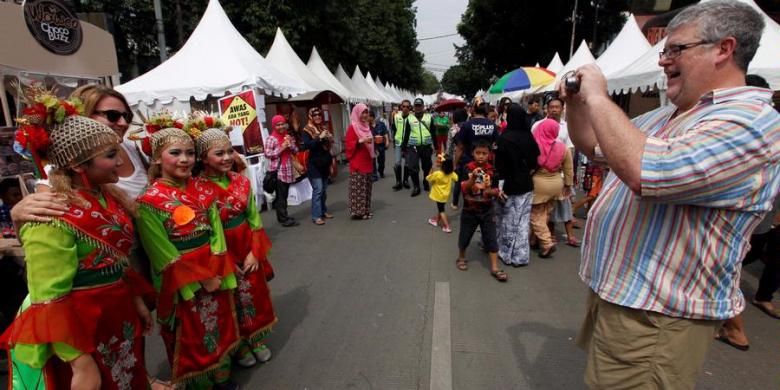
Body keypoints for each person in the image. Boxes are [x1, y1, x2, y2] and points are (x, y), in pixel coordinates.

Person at [561, 2, 779, 389]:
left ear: (724, 49)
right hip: (629, 302)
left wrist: (597, 97)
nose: (663, 61)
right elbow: (595, 145)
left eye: (675, 49)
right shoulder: (671, 114)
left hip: (657, 318)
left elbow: (648, 172)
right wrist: (577, 104)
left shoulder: (753, 121)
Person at [2, 102, 152, 389]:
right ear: (77, 165)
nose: (120, 162)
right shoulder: (50, 214)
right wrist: (79, 361)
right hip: (77, 331)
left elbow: (119, 262)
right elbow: (48, 297)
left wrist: (134, 300)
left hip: (116, 316)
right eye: (111, 155)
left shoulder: (108, 197)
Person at [136, 127, 240, 389]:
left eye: (190, 153)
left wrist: (217, 270)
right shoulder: (148, 201)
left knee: (220, 326)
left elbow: (217, 233)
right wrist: (203, 280)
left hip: (216, 269)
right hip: (183, 283)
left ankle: (223, 377)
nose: (185, 159)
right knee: (192, 337)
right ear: (157, 158)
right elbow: (162, 253)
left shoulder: (204, 189)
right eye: (175, 153)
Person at [194, 125, 277, 367]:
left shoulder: (241, 181)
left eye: (230, 151)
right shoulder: (197, 189)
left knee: (252, 294)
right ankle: (238, 346)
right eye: (219, 153)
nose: (227, 157)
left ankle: (256, 338)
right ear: (203, 158)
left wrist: (254, 252)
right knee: (228, 300)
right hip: (220, 253)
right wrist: (225, 260)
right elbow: (203, 232)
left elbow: (254, 219)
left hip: (247, 247)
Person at [455, 140, 507, 282]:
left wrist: (491, 190)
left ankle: (495, 267)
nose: (481, 156)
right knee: (465, 235)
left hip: (487, 209)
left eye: (484, 153)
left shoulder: (493, 171)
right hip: (469, 209)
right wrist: (472, 179)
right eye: (478, 153)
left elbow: (495, 190)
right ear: (472, 153)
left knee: (491, 237)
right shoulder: (467, 168)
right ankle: (461, 257)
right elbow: (464, 187)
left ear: (489, 154)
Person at [495, 104, 540, 267]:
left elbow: (499, 166)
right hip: (526, 185)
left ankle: (506, 254)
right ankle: (520, 256)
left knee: (507, 221)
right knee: (522, 222)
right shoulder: (529, 137)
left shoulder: (504, 138)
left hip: (508, 185)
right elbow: (535, 162)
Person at [533, 97, 579, 247]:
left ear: (562, 109)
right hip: (557, 179)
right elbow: (569, 160)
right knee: (547, 211)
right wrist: (568, 182)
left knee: (538, 212)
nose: (554, 109)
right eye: (551, 107)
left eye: (557, 107)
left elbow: (531, 154)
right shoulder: (537, 125)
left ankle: (544, 241)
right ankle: (544, 236)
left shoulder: (567, 127)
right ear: (546, 108)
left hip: (541, 178)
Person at [529, 119, 572, 258]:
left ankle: (546, 242)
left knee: (535, 216)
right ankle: (534, 239)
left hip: (539, 184)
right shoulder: (563, 148)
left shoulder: (535, 146)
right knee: (545, 214)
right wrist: (568, 185)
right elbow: (569, 169)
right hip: (556, 184)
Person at [453, 97, 499, 208]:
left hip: (469, 163)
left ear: (473, 109)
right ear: (486, 109)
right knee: (486, 186)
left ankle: (469, 209)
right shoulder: (492, 125)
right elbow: (495, 146)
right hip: (486, 163)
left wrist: (455, 164)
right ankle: (483, 209)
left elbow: (460, 147)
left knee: (468, 187)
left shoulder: (467, 125)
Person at [301, 107, 335, 225]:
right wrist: (319, 138)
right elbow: (306, 146)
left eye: (319, 115)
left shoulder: (323, 127)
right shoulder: (307, 130)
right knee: (318, 190)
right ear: (311, 116)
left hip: (324, 163)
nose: (318, 117)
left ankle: (323, 210)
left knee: (324, 190)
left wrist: (329, 138)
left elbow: (328, 145)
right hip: (314, 164)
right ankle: (316, 216)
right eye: (315, 115)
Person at [265, 115, 300, 227]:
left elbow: (296, 151)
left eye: (282, 124)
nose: (280, 126)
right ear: (274, 126)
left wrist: (291, 145)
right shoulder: (271, 139)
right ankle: (284, 219)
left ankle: (283, 216)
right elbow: (268, 154)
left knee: (284, 195)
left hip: (288, 169)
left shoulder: (287, 136)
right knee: (281, 196)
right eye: (277, 124)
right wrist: (281, 148)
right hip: (278, 171)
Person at [345, 103, 375, 219]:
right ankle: (358, 212)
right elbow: (348, 144)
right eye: (362, 112)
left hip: (367, 160)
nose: (365, 115)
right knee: (358, 188)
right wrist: (359, 141)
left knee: (367, 187)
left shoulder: (366, 126)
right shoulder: (353, 127)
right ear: (357, 113)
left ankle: (366, 210)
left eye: (366, 112)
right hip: (357, 162)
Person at [403, 98, 434, 195]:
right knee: (413, 167)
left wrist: (437, 147)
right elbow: (406, 134)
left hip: (426, 146)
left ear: (423, 106)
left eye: (420, 106)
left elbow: (433, 132)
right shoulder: (409, 118)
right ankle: (416, 186)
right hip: (413, 146)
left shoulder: (429, 117)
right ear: (414, 107)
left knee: (427, 167)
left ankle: (425, 181)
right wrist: (404, 148)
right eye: (416, 106)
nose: (418, 108)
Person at [425, 156, 458, 233]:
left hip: (438, 195)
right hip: (446, 195)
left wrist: (432, 169)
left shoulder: (438, 174)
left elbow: (428, 178)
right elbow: (456, 178)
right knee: (441, 207)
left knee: (441, 210)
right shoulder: (451, 174)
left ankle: (447, 226)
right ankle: (436, 220)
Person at [448, 108, 468, 210]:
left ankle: (455, 203)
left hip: (458, 158)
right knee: (468, 181)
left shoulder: (453, 129)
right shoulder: (470, 126)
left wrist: (449, 159)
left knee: (458, 182)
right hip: (470, 157)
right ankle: (467, 202)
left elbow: (450, 147)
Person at [391, 100, 412, 191]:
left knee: (407, 163)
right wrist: (393, 141)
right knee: (397, 162)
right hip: (398, 142)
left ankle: (405, 180)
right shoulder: (396, 116)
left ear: (410, 107)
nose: (405, 108)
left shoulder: (412, 118)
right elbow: (394, 129)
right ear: (401, 107)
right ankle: (398, 182)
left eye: (407, 106)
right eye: (404, 106)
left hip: (408, 143)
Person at [369, 110, 390, 181]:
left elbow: (385, 133)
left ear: (372, 117)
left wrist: (387, 141)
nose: (367, 118)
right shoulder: (367, 126)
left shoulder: (381, 124)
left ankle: (381, 171)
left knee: (381, 161)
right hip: (372, 146)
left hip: (381, 145)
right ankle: (374, 174)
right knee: (373, 161)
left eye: (369, 117)